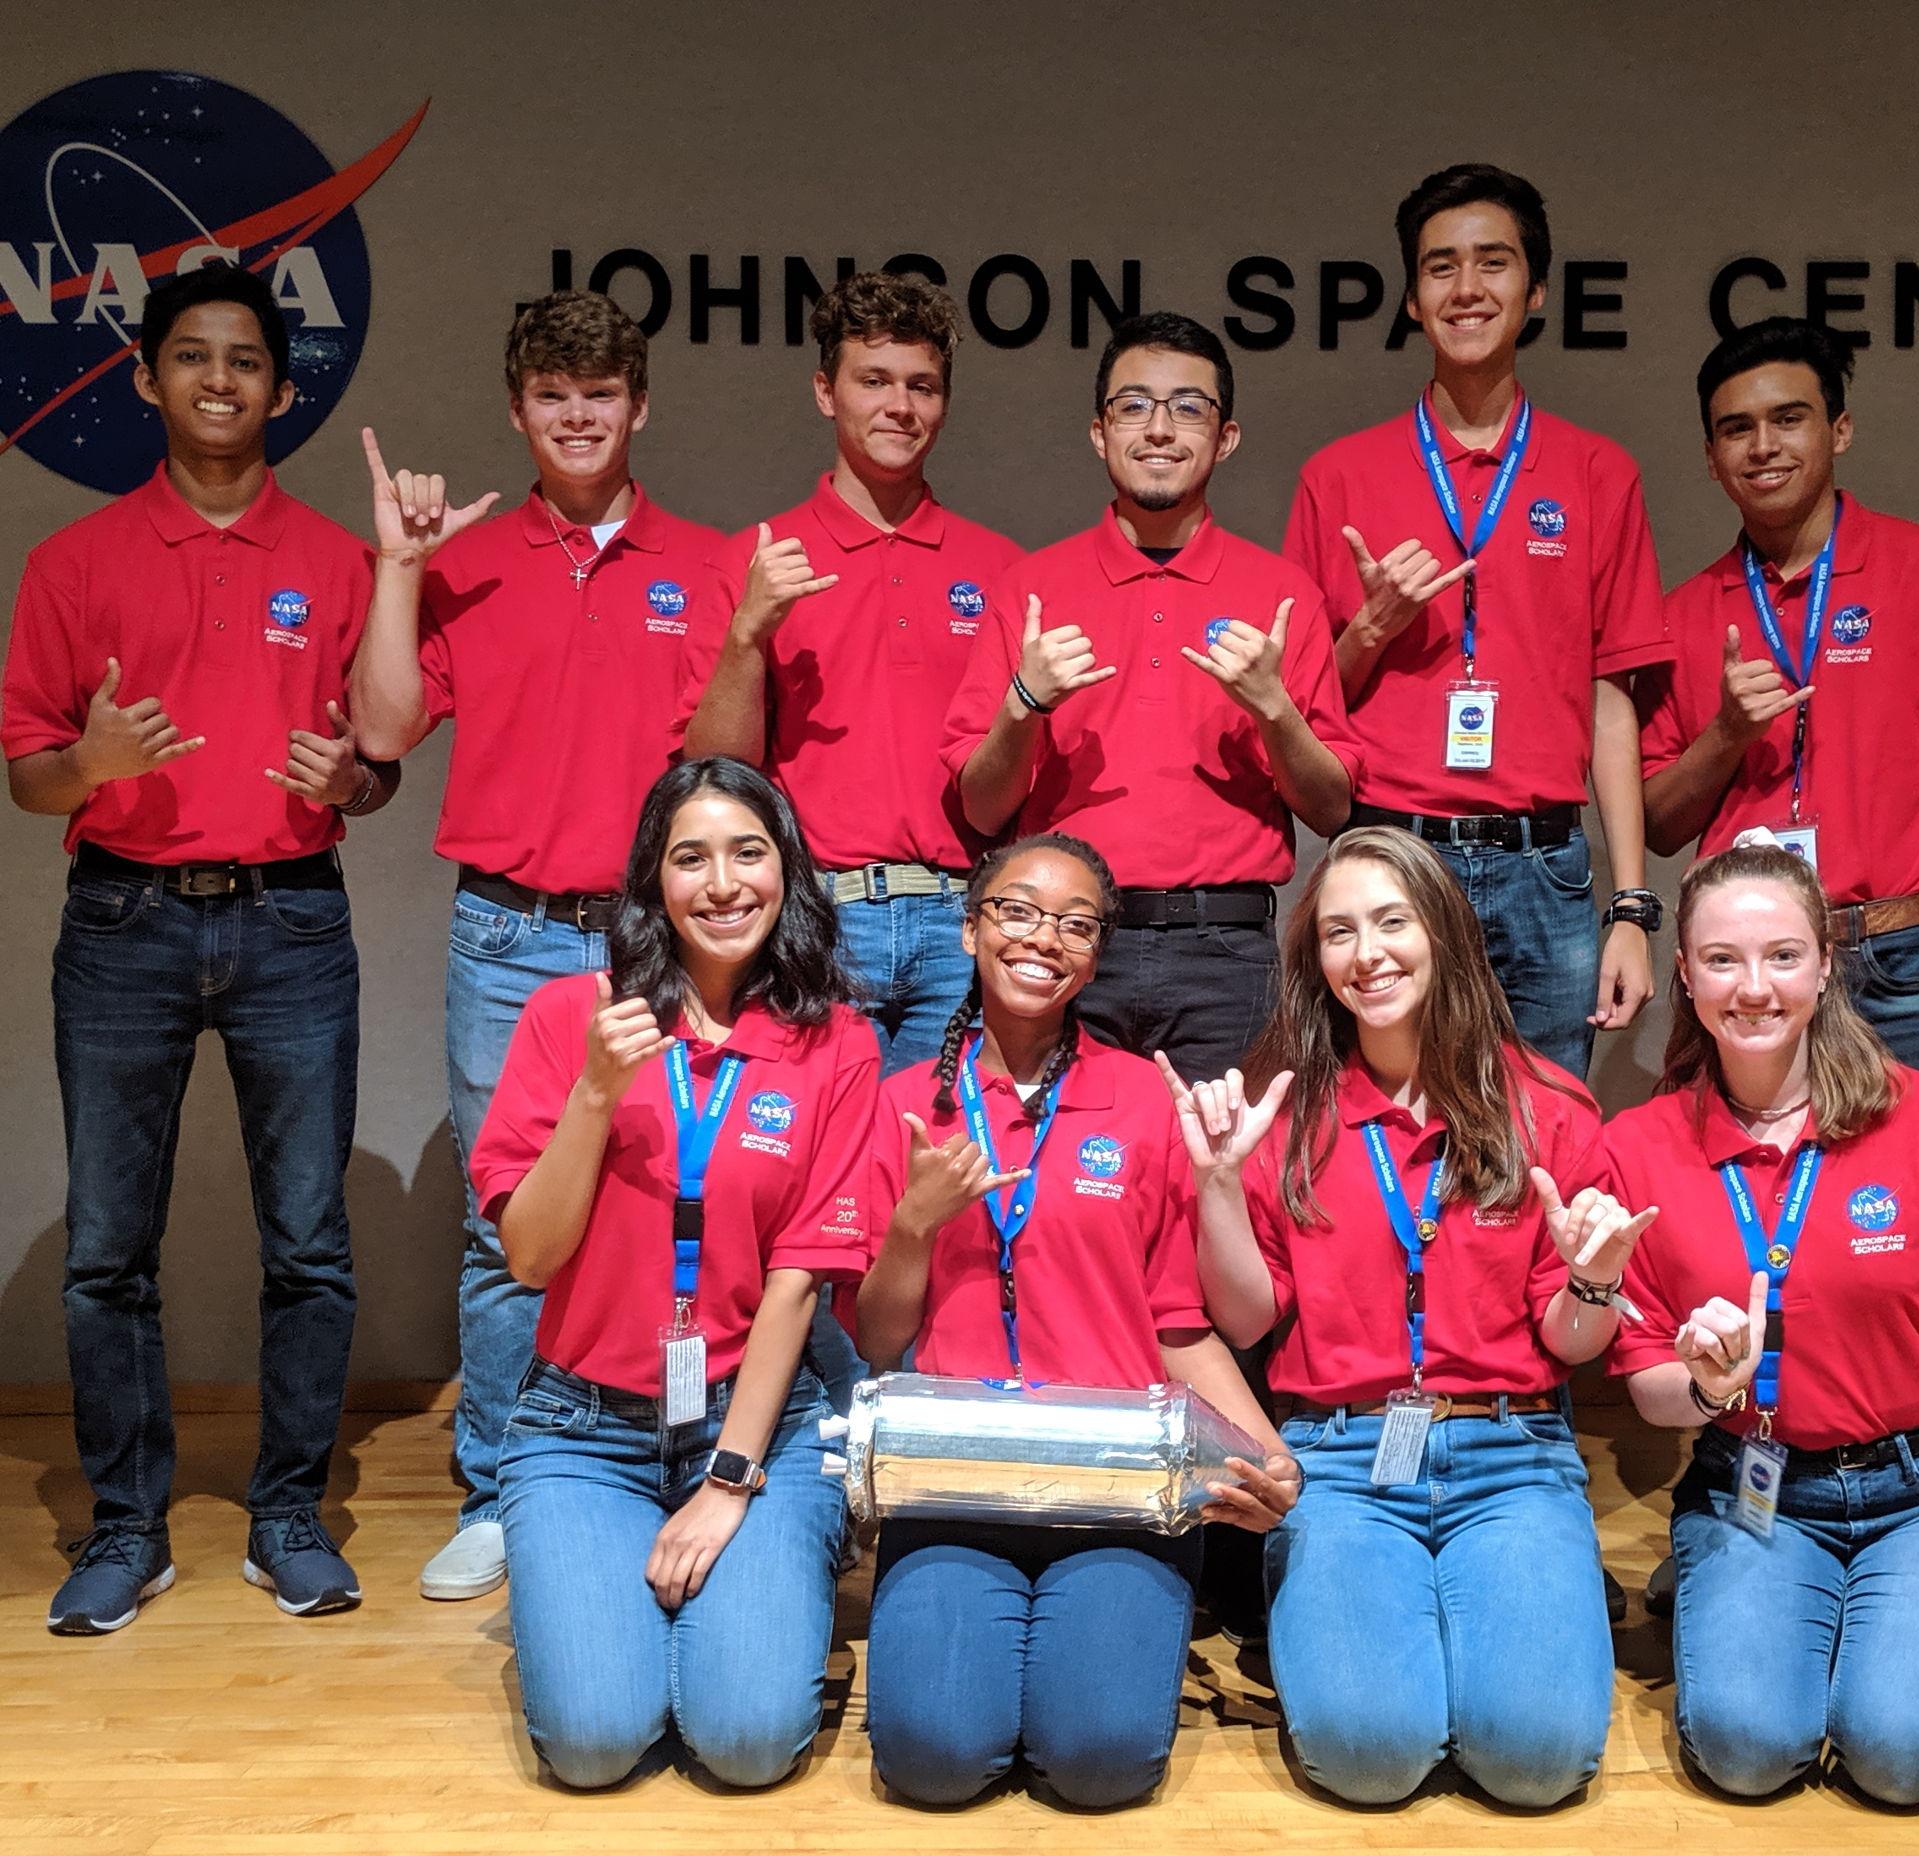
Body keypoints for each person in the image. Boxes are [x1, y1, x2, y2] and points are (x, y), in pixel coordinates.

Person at [3, 261, 398, 1632]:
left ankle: (288, 1515)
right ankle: (126, 1527)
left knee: (311, 1244)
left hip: (294, 917)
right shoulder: (74, 563)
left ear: (281, 390)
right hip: (123, 919)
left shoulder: (338, 564)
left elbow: (378, 767)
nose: (218, 379)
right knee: (107, 1249)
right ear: (146, 378)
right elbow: (29, 775)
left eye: (244, 360)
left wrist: (355, 781)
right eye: (191, 355)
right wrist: (91, 762)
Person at [349, 290, 729, 1601]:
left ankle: (673, 1470)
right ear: (518, 411)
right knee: (501, 1223)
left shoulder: (708, 564)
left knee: (680, 1206)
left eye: (600, 392)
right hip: (507, 933)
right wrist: (399, 567)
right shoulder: (462, 562)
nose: (578, 415)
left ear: (639, 405)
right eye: (553, 394)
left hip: (660, 943)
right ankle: (502, 1493)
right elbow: (382, 731)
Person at [1182, 826, 1647, 1806]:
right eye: (1338, 931)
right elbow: (1247, 1317)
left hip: (1512, 1454)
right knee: (1369, 1760)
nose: (1368, 954)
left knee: (1534, 1765)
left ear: (1442, 932)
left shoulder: (1548, 1107)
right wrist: (1218, 1183)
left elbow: (1569, 1341)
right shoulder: (1286, 1110)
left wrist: (1592, 1281)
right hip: (1341, 1459)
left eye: (1392, 922)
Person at [858, 831, 1299, 1809]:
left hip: (1118, 1487)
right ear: (970, 927)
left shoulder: (1142, 1099)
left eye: (1074, 923)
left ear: (1096, 955)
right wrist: (913, 1226)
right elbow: (878, 1339)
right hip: (956, 1484)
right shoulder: (907, 1106)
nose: (1042, 938)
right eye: (1016, 911)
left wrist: (1263, 1447)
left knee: (1100, 1763)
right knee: (933, 1760)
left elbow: (1178, 1322)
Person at [1600, 841, 1919, 1804]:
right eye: (1722, 959)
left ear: (1826, 965)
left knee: (1899, 1758)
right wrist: (1709, 1385)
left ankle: (1915, 1594)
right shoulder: (1635, 1147)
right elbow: (1650, 1393)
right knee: (1746, 1753)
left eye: (1782, 956)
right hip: (1754, 1483)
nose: (1754, 987)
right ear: (1685, 974)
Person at [467, 757, 876, 1789]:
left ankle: (760, 1568)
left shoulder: (837, 1042)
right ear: (653, 879)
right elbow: (530, 1256)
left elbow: (799, 1280)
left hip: (755, 1422)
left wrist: (731, 1482)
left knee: (747, 1744)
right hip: (582, 1428)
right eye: (690, 858)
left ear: (787, 870)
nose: (723, 883)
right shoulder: (573, 1016)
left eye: (749, 852)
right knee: (594, 1744)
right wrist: (595, 1093)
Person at [1284, 164, 1672, 1081]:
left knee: (1546, 1127)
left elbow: (1610, 698)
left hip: (1546, 868)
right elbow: (1299, 709)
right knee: (1390, 1119)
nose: (1466, 288)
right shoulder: (1339, 475)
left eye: (1492, 263)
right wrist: (1370, 628)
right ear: (1411, 300)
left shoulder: (1596, 473)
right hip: (1393, 858)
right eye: (1440, 267)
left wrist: (1630, 905)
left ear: (1534, 291)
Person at [942, 310, 1356, 1085]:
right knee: (1055, 1157)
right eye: (1133, 405)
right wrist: (1023, 703)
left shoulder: (1280, 594)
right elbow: (983, 810)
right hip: (1065, 944)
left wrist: (1274, 709)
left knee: (1228, 1159)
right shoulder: (1032, 590)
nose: (1159, 428)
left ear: (1224, 438)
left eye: (1187, 407)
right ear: (1099, 433)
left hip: (1225, 953)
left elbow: (1331, 810)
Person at [1638, 316, 1919, 1086]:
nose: (1763, 446)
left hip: (1901, 958)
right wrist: (1725, 734)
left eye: (1788, 419)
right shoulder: (1679, 615)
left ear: (1839, 430)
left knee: (1905, 1170)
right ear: (1710, 458)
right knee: (1740, 1168)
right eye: (1736, 429)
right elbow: (1658, 825)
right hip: (1744, 965)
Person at [684, 271, 1021, 1068]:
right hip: (818, 914)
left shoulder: (1001, 568)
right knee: (807, 1143)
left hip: (961, 918)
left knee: (942, 1143)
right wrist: (748, 635)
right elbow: (714, 772)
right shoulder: (755, 557)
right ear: (825, 392)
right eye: (873, 380)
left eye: (921, 386)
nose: (899, 406)